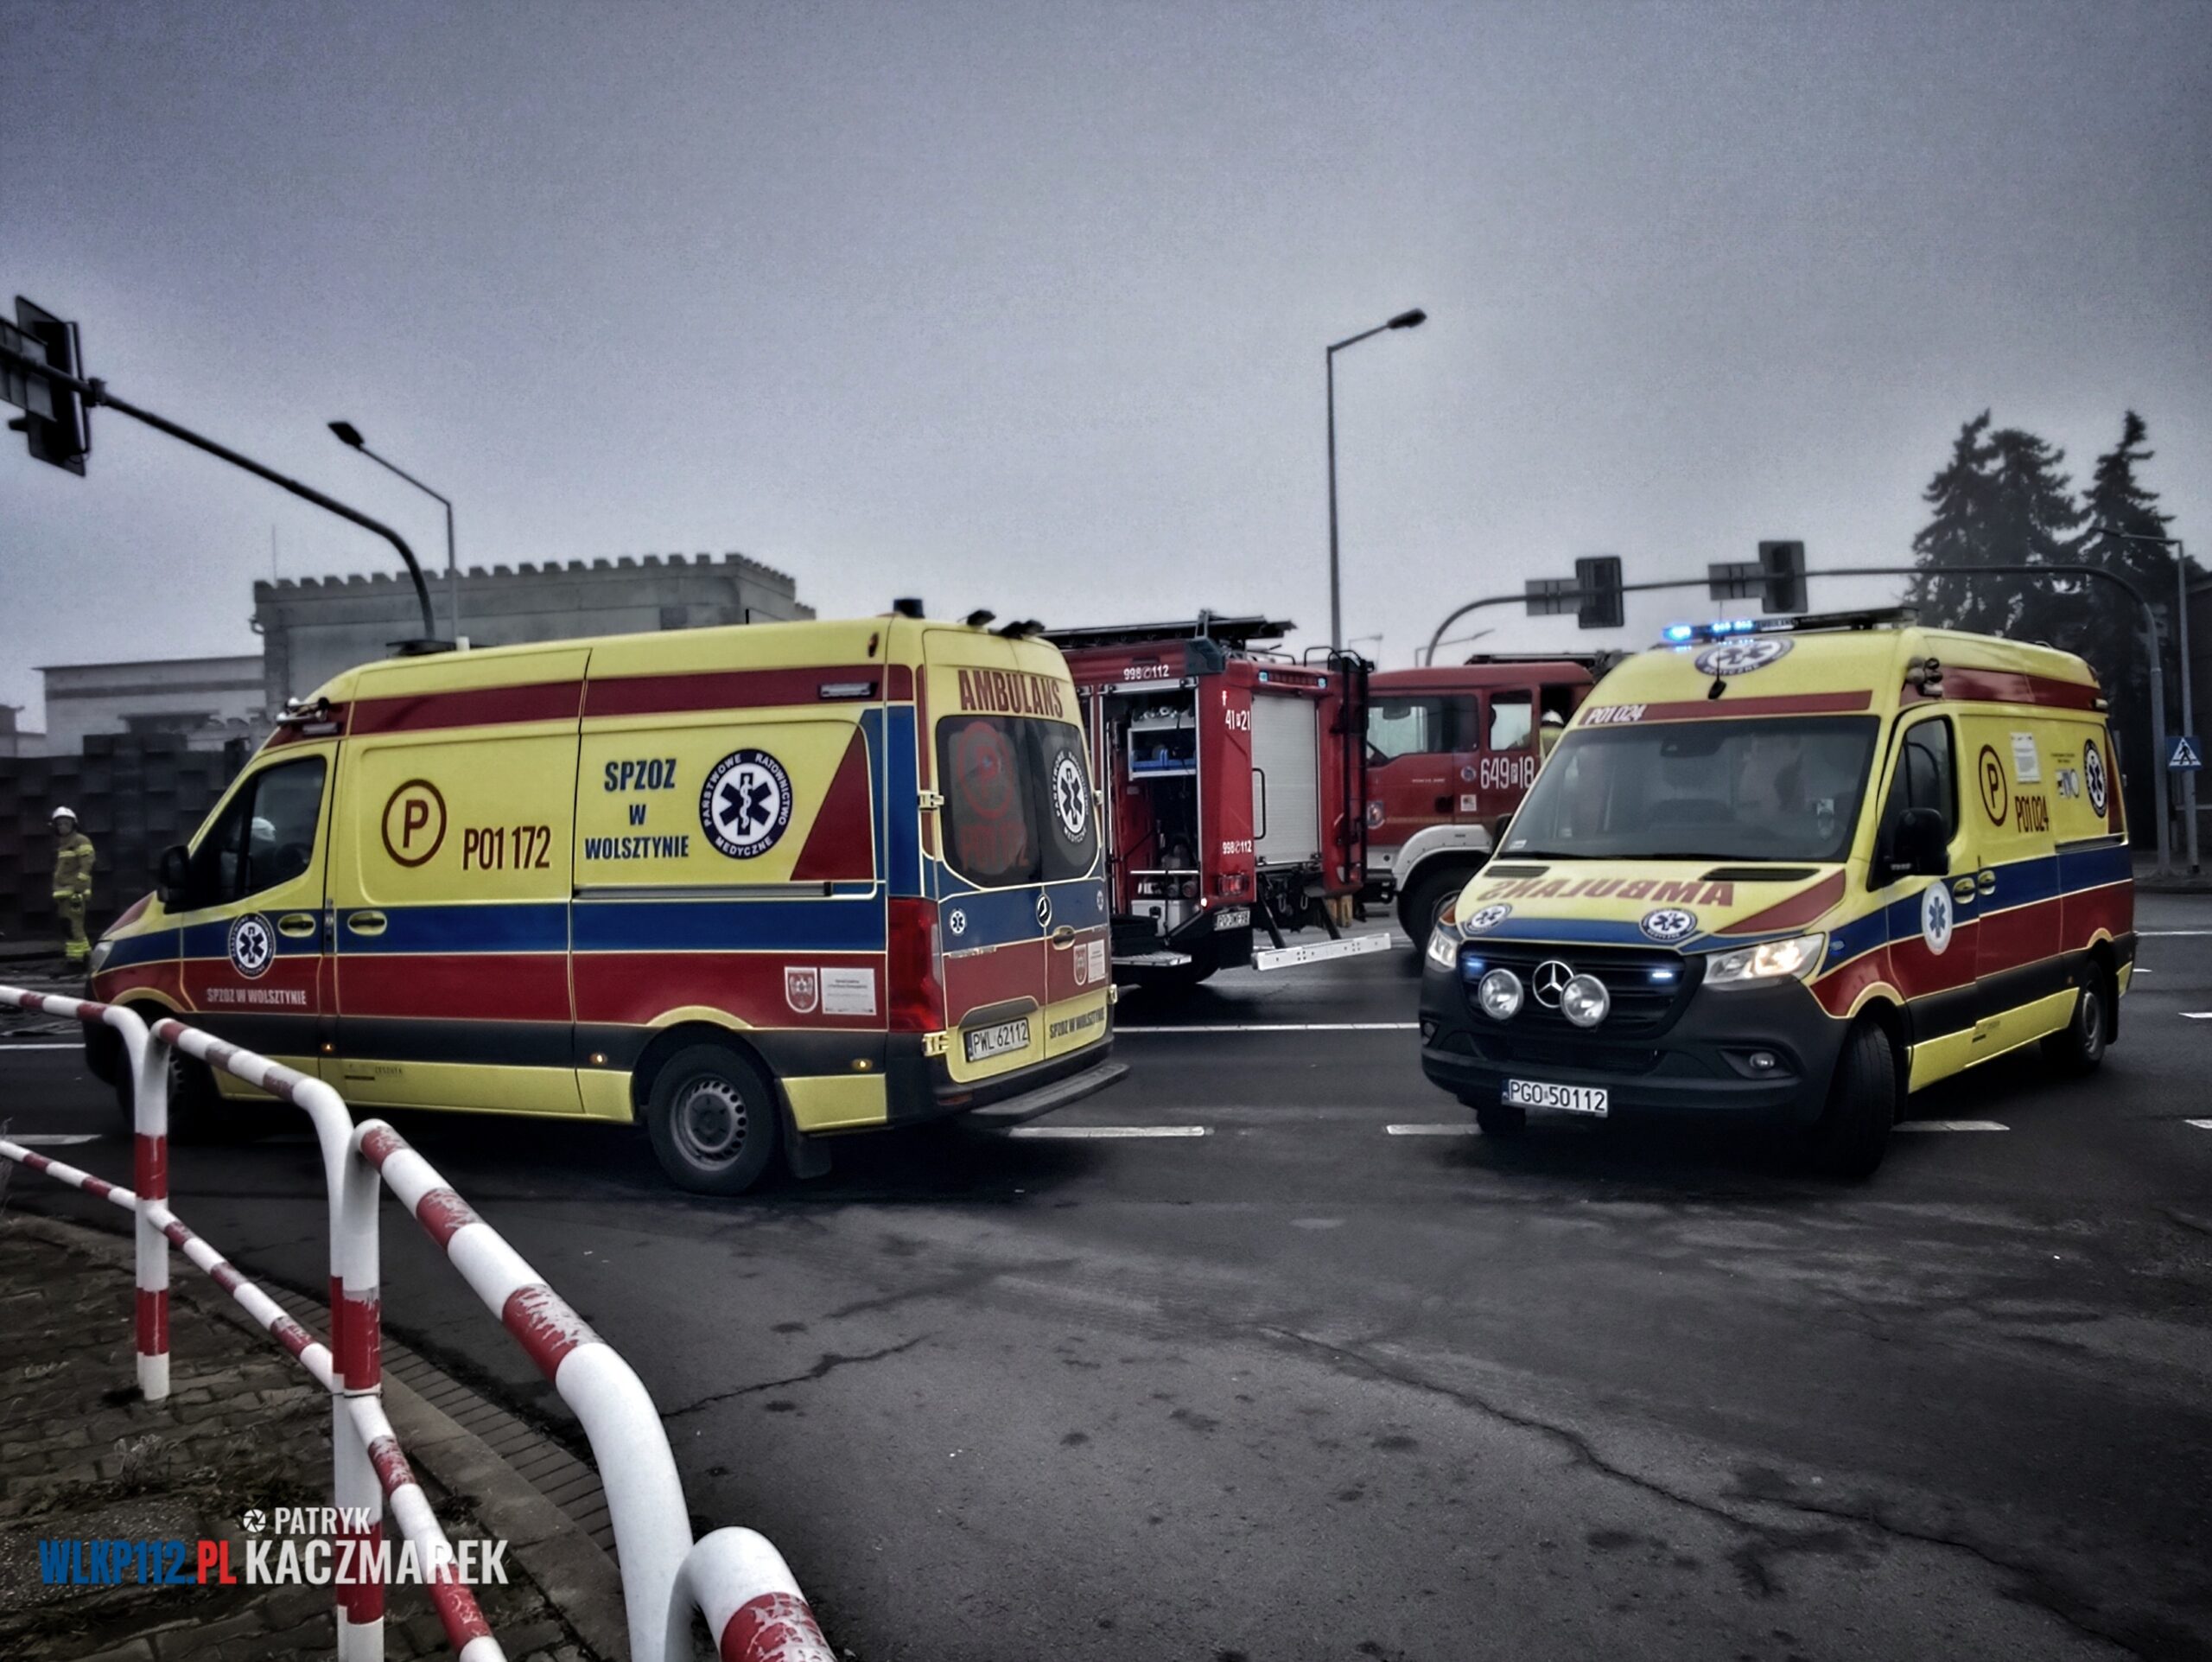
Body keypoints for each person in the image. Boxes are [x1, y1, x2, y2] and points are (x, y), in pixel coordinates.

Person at [49, 806, 94, 967]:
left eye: (66, 823)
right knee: (70, 926)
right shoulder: (64, 843)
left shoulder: (80, 840)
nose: (62, 827)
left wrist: (78, 889)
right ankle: (86, 956)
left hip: (74, 892)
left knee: (72, 927)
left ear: (74, 824)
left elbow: (87, 865)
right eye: (59, 824)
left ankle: (76, 961)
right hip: (64, 893)